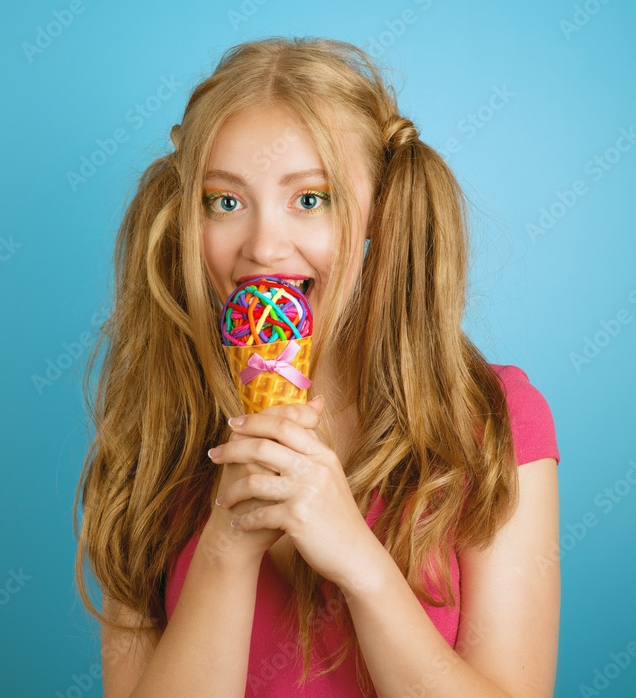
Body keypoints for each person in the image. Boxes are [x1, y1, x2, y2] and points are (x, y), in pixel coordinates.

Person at [74, 36, 560, 697]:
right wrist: (228, 543)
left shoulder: (489, 421)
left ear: (377, 217)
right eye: (225, 201)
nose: (265, 247)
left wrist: (359, 561)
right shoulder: (152, 436)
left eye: (311, 199)